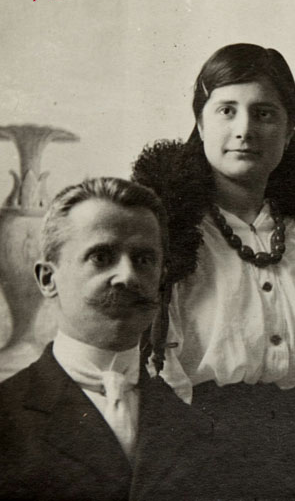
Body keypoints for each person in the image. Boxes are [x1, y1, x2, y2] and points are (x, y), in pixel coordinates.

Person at [132, 43, 295, 500]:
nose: (244, 130)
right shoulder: (165, 234)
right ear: (201, 124)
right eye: (227, 111)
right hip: (182, 473)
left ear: (290, 130)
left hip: (288, 476)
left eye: (264, 114)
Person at [0, 177, 218, 500]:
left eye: (144, 260)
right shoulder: (6, 419)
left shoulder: (194, 427)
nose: (127, 276)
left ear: (161, 280)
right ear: (48, 279)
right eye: (101, 257)